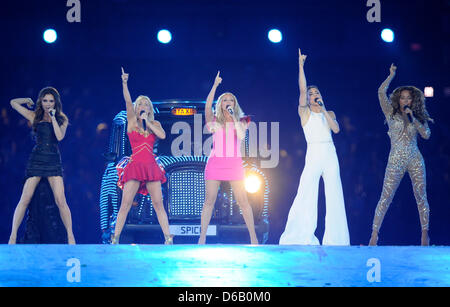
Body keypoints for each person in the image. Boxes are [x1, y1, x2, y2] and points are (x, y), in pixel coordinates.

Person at [279, 49, 350, 246]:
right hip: (314, 152)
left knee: (335, 192)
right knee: (307, 191)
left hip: (330, 152)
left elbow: (336, 130)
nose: (313, 95)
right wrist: (300, 66)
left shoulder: (330, 112)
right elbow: (302, 90)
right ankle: (300, 234)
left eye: (316, 92)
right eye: (311, 94)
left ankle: (337, 239)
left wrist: (325, 109)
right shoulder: (305, 113)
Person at [369, 64, 432, 246]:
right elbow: (381, 92)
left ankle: (424, 235)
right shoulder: (390, 112)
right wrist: (390, 76)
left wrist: (414, 119)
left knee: (421, 196)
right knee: (386, 197)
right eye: (402, 97)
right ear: (398, 99)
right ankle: (374, 234)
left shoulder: (417, 116)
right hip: (396, 159)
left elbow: (426, 135)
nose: (405, 100)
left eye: (408, 98)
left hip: (414, 158)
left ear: (413, 101)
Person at [112, 67, 173, 244]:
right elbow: (127, 102)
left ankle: (168, 238)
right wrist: (124, 83)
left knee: (158, 204)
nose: (143, 106)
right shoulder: (131, 122)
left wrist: (148, 122)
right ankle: (115, 238)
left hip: (151, 166)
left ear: (149, 108)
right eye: (141, 104)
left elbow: (161, 135)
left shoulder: (155, 123)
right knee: (125, 204)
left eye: (146, 104)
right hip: (135, 166)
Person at [8, 87, 76, 244]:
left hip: (53, 159)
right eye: (45, 100)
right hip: (37, 159)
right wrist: (26, 101)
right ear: (41, 101)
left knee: (60, 200)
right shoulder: (34, 116)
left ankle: (70, 236)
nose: (47, 104)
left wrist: (53, 118)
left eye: (51, 101)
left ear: (55, 102)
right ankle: (12, 237)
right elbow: (13, 103)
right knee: (25, 198)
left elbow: (59, 137)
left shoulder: (61, 119)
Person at [198, 71, 259, 245]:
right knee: (209, 201)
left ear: (234, 104)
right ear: (220, 104)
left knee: (243, 201)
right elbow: (207, 106)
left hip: (234, 164)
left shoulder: (242, 120)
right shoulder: (214, 121)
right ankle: (202, 238)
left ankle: (253, 238)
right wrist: (215, 85)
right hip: (215, 163)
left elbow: (240, 136)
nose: (227, 102)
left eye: (230, 100)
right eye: (224, 100)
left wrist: (234, 117)